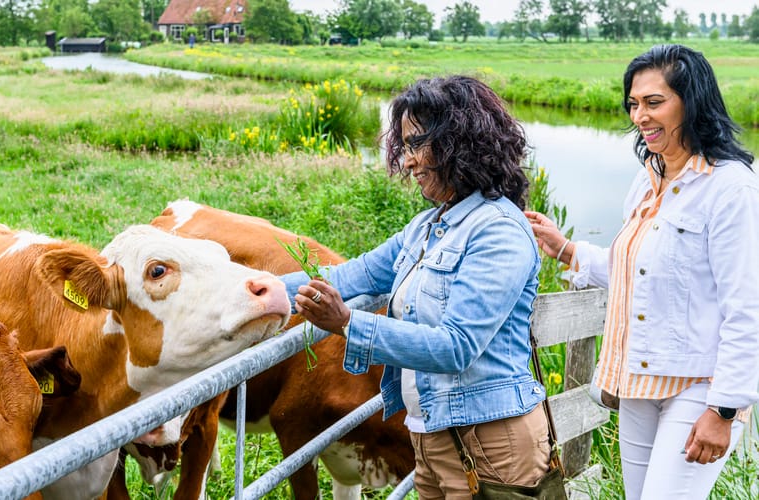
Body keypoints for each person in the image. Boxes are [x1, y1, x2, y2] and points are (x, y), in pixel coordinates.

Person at [280, 75, 550, 498]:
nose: (407, 161)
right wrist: (255, 291)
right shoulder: (426, 228)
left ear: (463, 141)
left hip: (490, 442)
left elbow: (455, 346)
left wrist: (348, 323)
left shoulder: (498, 232)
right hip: (429, 436)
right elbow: (354, 274)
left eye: (417, 144)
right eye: (403, 147)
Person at [526, 44, 759, 499]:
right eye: (633, 104)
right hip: (638, 380)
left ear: (692, 103)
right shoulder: (648, 177)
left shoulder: (731, 188)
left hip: (697, 387)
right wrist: (567, 250)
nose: (639, 116)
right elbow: (643, 276)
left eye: (654, 103)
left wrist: (725, 409)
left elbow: (747, 308)